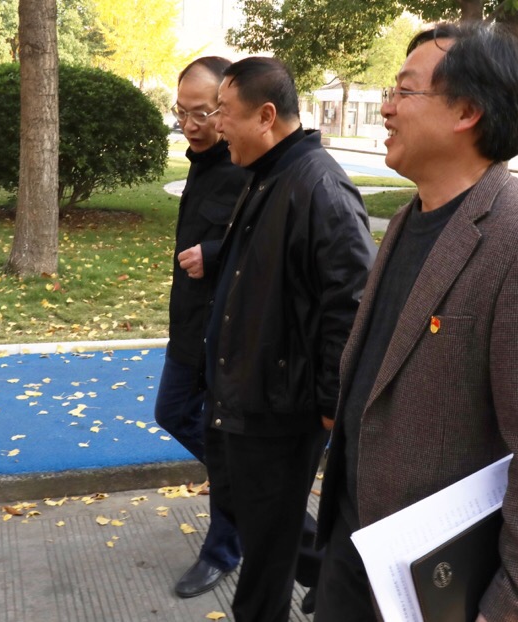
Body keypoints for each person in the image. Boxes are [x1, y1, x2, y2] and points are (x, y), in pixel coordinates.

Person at [315, 22, 518, 622]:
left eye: (404, 91)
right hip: (358, 548)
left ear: (467, 112)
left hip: (437, 584)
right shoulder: (406, 220)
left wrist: (515, 608)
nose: (387, 107)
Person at [204, 56, 376, 622]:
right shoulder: (269, 173)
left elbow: (350, 303)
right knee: (255, 527)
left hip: (280, 411)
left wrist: (330, 402)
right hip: (245, 397)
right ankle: (329, 575)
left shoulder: (319, 186)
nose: (217, 125)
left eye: (225, 112)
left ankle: (332, 580)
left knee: (263, 571)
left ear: (266, 116)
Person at [152, 56, 247, 598]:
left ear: (227, 107)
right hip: (189, 326)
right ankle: (264, 498)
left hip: (227, 335)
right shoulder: (202, 161)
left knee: (222, 437)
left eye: (202, 113)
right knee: (173, 412)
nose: (189, 124)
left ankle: (223, 548)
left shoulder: (247, 166)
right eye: (181, 111)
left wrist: (215, 253)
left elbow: (269, 247)